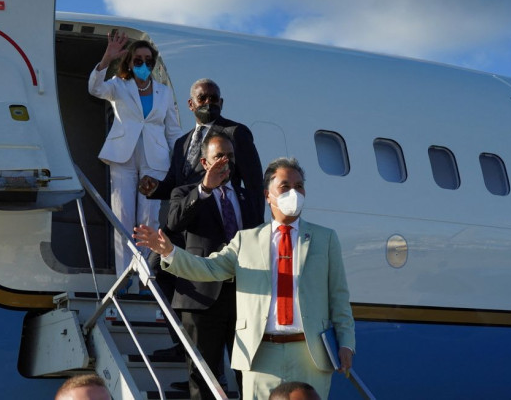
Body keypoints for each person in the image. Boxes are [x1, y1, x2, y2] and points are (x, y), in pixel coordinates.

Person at [134, 157, 355, 400]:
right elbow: (208, 269)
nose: (294, 192)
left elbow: (339, 296)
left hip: (309, 354)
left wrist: (346, 343)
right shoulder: (245, 240)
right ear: (267, 195)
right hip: (260, 354)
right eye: (285, 186)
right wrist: (169, 252)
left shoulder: (326, 239)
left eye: (299, 186)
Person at [167, 131, 264, 399]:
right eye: (219, 156)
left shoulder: (247, 198)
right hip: (200, 299)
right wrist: (206, 189)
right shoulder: (185, 192)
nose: (226, 161)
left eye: (230, 157)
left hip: (244, 299)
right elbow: (174, 223)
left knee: (250, 375)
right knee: (204, 378)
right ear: (205, 161)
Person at [88, 31, 182, 280]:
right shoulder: (119, 86)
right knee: (123, 215)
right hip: (123, 155)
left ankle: (143, 272)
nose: (143, 64)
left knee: (149, 216)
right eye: (138, 59)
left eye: (148, 60)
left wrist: (180, 160)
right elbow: (94, 88)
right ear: (129, 62)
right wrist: (106, 60)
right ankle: (124, 275)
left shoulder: (164, 92)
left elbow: (172, 130)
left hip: (156, 157)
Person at [138, 78, 264, 215]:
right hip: (184, 224)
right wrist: (154, 187)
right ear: (191, 104)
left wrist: (257, 228)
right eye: (202, 98)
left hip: (219, 223)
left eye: (213, 98)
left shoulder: (235, 132)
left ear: (221, 103)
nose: (208, 102)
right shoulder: (181, 143)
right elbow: (175, 184)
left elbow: (254, 185)